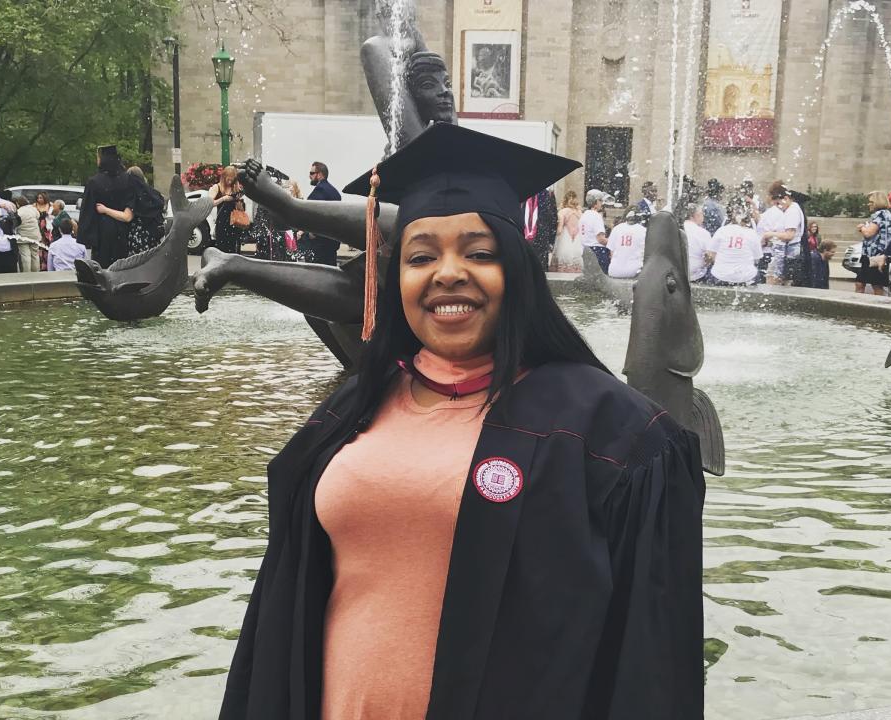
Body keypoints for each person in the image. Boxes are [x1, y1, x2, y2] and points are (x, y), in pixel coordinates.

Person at [218, 122, 704, 720]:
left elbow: (650, 669)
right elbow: (282, 612)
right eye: (421, 256)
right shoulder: (351, 410)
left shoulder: (616, 436)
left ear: (518, 274)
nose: (447, 272)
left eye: (479, 253)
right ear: (397, 280)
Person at [78, 145, 135, 268]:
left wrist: (87, 238)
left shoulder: (94, 182)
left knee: (103, 267)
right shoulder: (128, 179)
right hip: (123, 229)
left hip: (102, 231)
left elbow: (87, 212)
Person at [707, 197, 764, 285]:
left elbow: (711, 254)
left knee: (711, 271)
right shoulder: (752, 233)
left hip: (721, 276)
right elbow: (757, 257)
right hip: (745, 277)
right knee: (757, 272)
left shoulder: (722, 230)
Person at [758, 181, 805, 285]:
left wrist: (768, 235)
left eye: (778, 203)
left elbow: (789, 235)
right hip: (782, 256)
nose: (778, 207)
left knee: (775, 285)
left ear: (786, 198)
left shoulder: (792, 211)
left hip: (786, 259)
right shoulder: (791, 209)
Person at [856, 191, 891, 295]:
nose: (869, 204)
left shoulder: (880, 215)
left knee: (874, 285)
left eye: (871, 202)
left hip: (874, 256)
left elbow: (869, 233)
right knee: (865, 283)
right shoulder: (887, 214)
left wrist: (862, 227)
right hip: (876, 255)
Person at [303, 161, 342, 265]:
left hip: (319, 246)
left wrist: (312, 233)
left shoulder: (320, 190)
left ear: (319, 174)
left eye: (312, 173)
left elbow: (309, 213)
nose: (309, 176)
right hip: (332, 244)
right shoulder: (335, 192)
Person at [127, 166, 167, 255]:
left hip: (137, 235)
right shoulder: (154, 194)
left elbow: (128, 216)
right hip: (153, 234)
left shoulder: (133, 194)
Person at [211, 165, 249, 255]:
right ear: (224, 177)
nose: (230, 181)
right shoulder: (217, 187)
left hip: (235, 223)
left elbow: (241, 208)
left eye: (233, 179)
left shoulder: (236, 188)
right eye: (228, 178)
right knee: (222, 248)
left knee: (234, 249)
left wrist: (238, 201)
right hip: (222, 222)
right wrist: (223, 199)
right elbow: (211, 203)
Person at [605, 206, 646, 278]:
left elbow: (611, 253)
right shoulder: (643, 230)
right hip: (634, 271)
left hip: (614, 270)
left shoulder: (617, 228)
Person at [522, 187, 557, 271]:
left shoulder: (548, 194)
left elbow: (552, 218)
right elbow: (553, 219)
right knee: (539, 267)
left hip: (533, 235)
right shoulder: (547, 194)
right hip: (539, 235)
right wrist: (551, 240)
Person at [577, 188, 609, 274]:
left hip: (586, 251)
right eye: (600, 200)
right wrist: (613, 242)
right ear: (595, 202)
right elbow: (601, 239)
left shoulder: (583, 216)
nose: (602, 203)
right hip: (598, 252)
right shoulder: (596, 216)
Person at [551, 189, 582, 272]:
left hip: (565, 238)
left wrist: (553, 236)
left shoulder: (562, 212)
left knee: (563, 259)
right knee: (575, 261)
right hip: (577, 239)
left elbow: (559, 230)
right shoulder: (579, 213)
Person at [684, 204, 714, 282]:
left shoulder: (675, 229)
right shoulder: (703, 233)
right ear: (696, 215)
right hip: (696, 275)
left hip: (677, 273)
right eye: (702, 214)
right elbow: (710, 256)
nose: (703, 217)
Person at [14, 195, 42, 272]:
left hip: (23, 237)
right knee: (35, 255)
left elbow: (16, 223)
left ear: (18, 203)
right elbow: (38, 217)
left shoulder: (18, 212)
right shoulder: (33, 209)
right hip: (35, 236)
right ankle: (36, 272)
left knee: (25, 256)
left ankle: (27, 274)